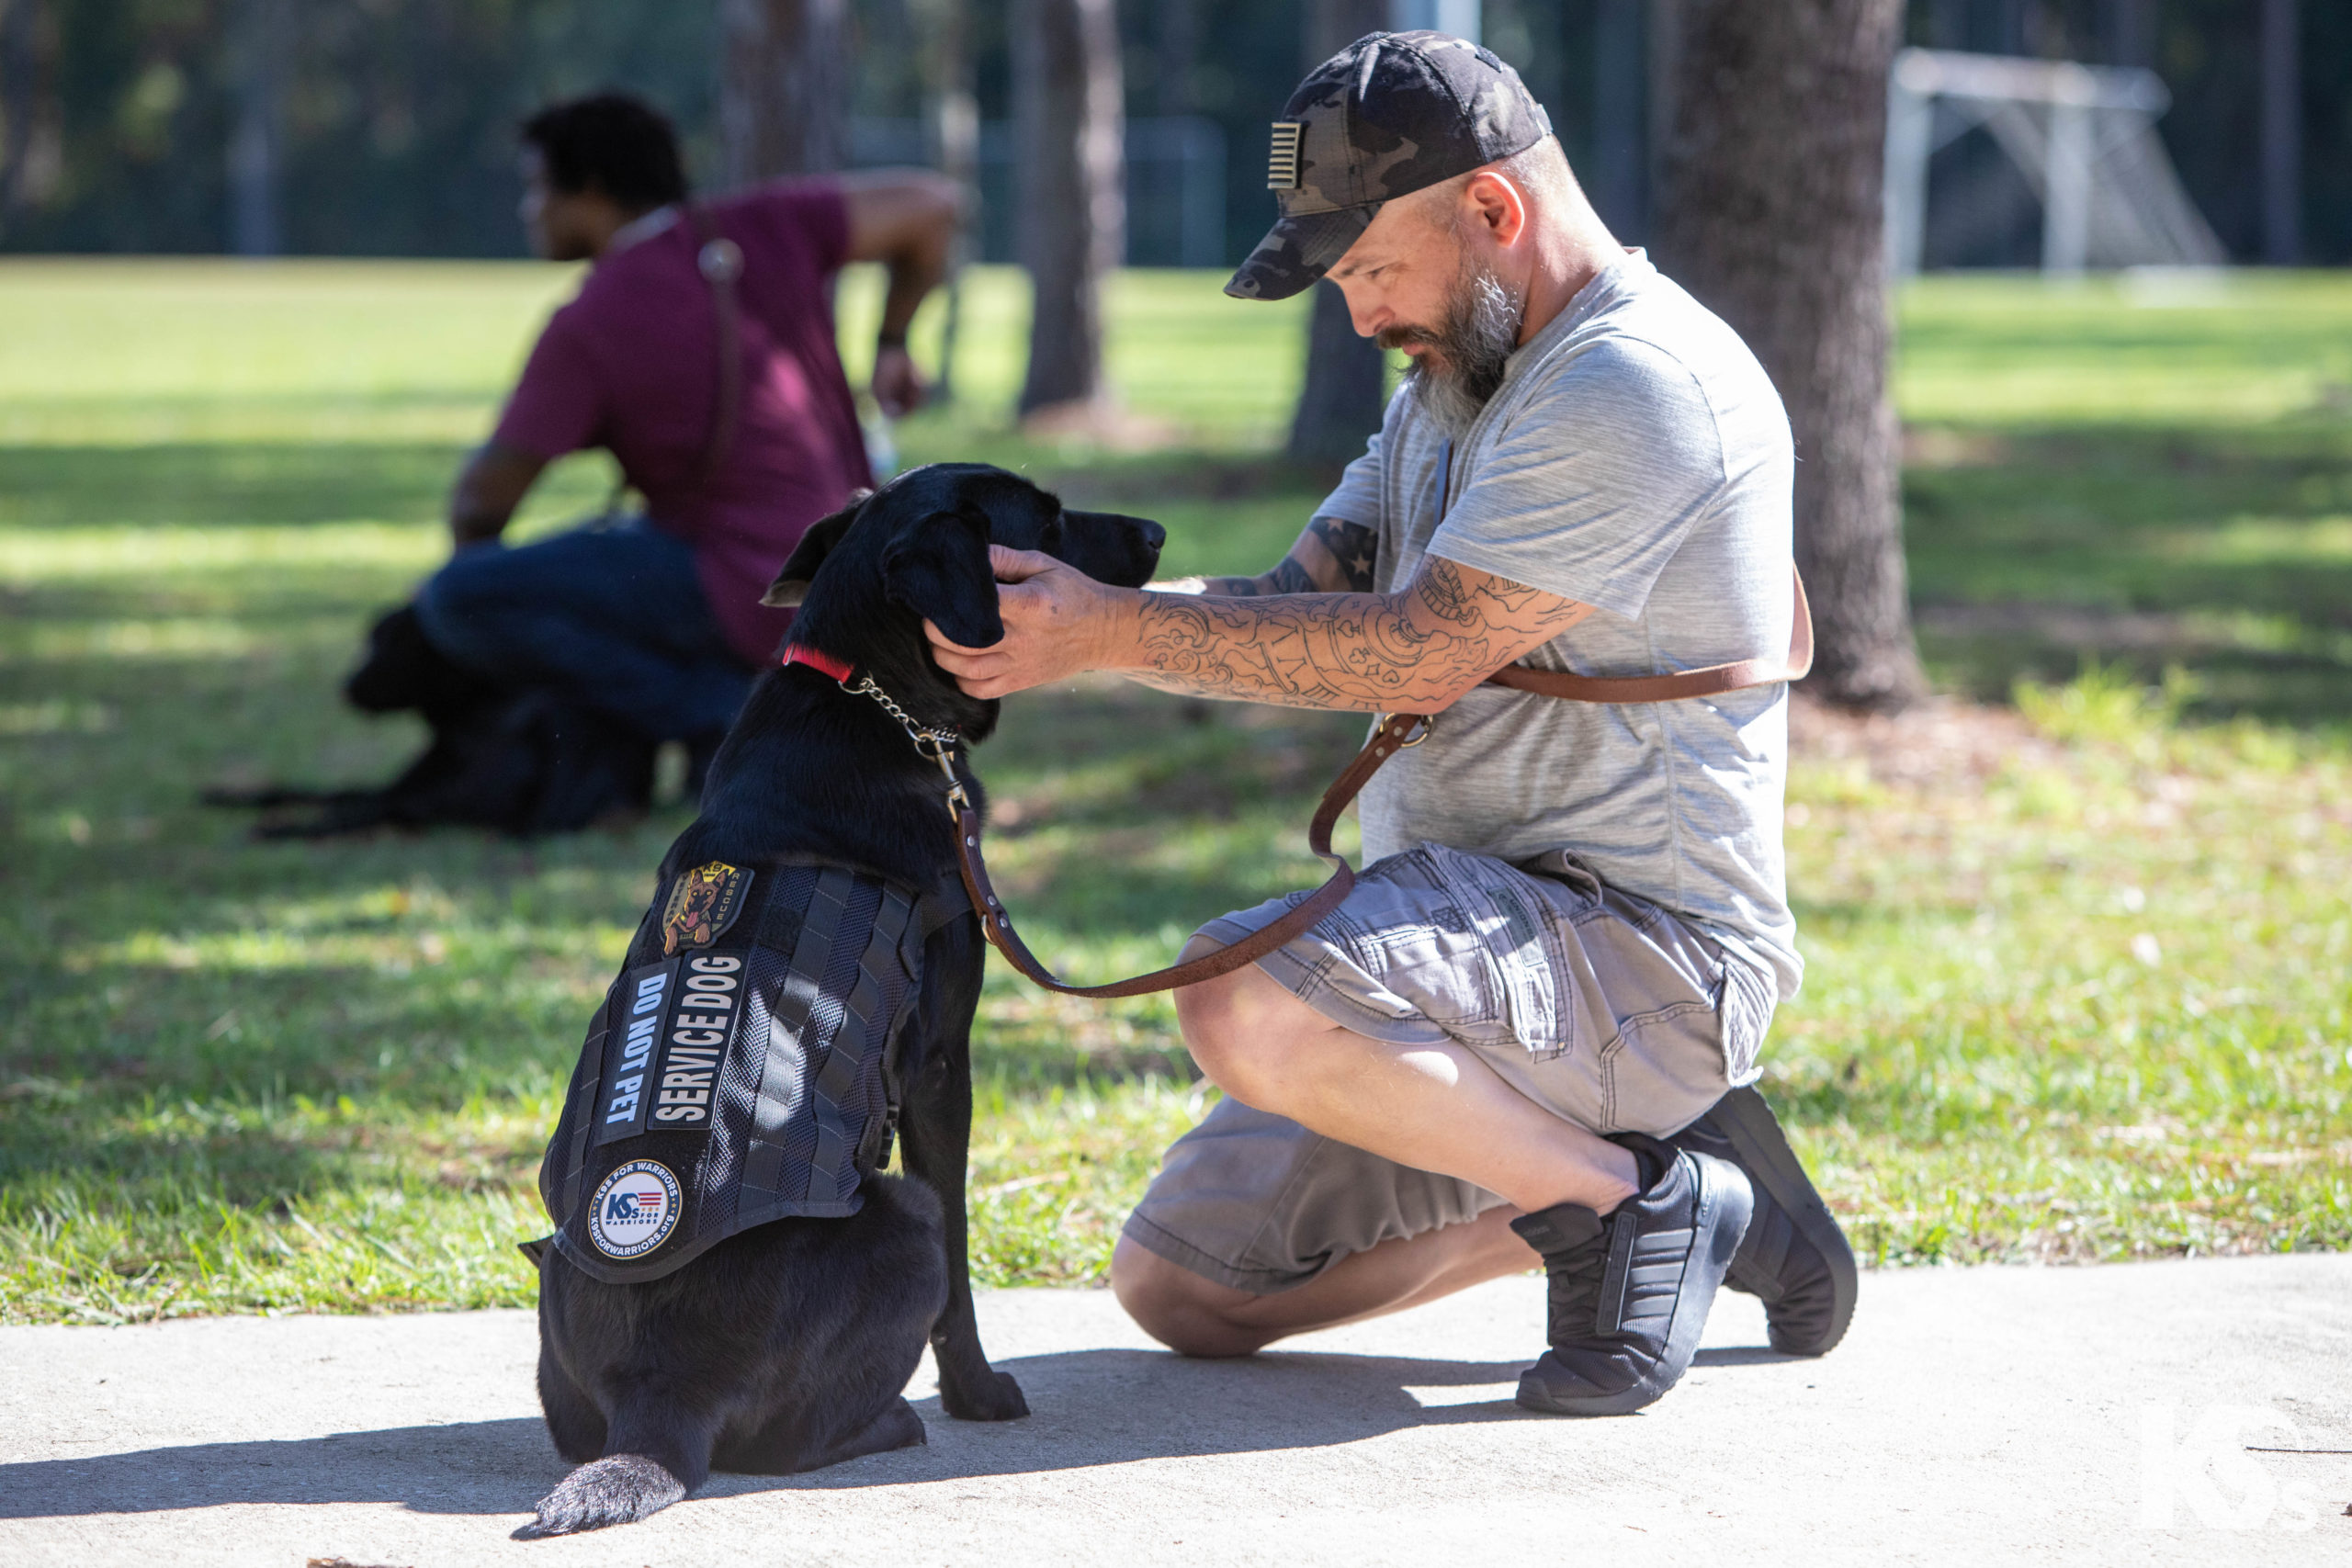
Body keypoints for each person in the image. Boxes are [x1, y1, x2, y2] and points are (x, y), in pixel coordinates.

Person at [924, 32, 1854, 1416]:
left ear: (1494, 212)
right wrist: (1060, 613)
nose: (1359, 316)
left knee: (1241, 986)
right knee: (1185, 1286)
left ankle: (1635, 1189)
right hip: (1467, 968)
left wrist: (1113, 634)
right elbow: (1298, 597)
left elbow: (1422, 642)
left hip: (1638, 954)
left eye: (1368, 267)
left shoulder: (1634, 383)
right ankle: (1667, 1187)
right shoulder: (1454, 382)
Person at [414, 92, 960, 777]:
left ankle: (723, 716)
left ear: (587, 191)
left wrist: (483, 575)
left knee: (459, 599)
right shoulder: (763, 226)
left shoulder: (592, 318)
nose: (530, 212)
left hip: (745, 590)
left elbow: (480, 502)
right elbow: (932, 205)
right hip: (856, 580)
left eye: (536, 189)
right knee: (624, 553)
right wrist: (894, 341)